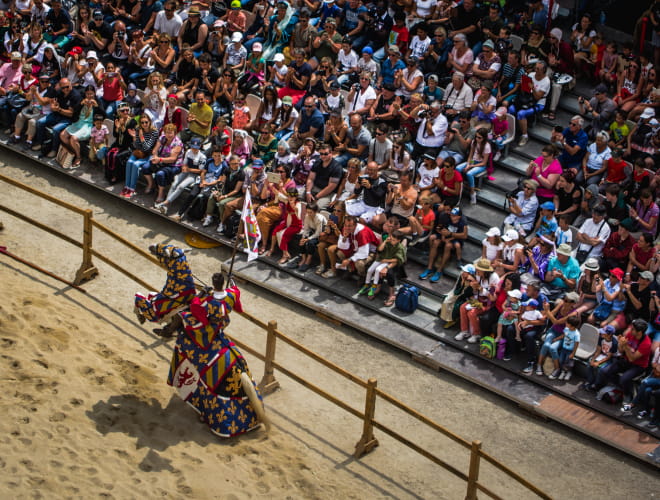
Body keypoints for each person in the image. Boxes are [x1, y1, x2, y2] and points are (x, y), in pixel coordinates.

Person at [168, 271, 267, 437]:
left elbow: (196, 310)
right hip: (221, 332)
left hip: (209, 334)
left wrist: (202, 294)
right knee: (236, 355)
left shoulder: (208, 302)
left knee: (184, 330)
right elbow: (238, 305)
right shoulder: (230, 295)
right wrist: (232, 284)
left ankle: (168, 331)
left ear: (214, 284)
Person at [597, 319, 652, 407]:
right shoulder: (630, 334)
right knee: (605, 371)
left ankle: (627, 394)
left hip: (638, 366)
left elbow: (632, 358)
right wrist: (620, 344)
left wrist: (625, 345)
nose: (631, 330)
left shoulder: (646, 344)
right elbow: (621, 351)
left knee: (624, 379)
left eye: (633, 329)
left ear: (639, 332)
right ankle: (620, 387)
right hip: (625, 360)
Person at [359, 230, 406, 305]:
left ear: (398, 240)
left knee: (389, 273)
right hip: (383, 261)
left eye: (394, 240)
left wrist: (387, 263)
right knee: (375, 270)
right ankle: (376, 287)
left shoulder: (400, 248)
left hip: (394, 264)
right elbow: (379, 250)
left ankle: (391, 294)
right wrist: (384, 242)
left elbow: (398, 259)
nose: (392, 241)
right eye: (391, 238)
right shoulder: (388, 242)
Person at [305, 142, 342, 210]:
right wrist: (308, 192)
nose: (323, 156)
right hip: (314, 187)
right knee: (298, 196)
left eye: (325, 154)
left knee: (318, 207)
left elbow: (331, 187)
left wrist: (316, 197)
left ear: (331, 153)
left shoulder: (336, 167)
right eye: (321, 154)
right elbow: (311, 179)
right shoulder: (317, 162)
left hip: (327, 193)